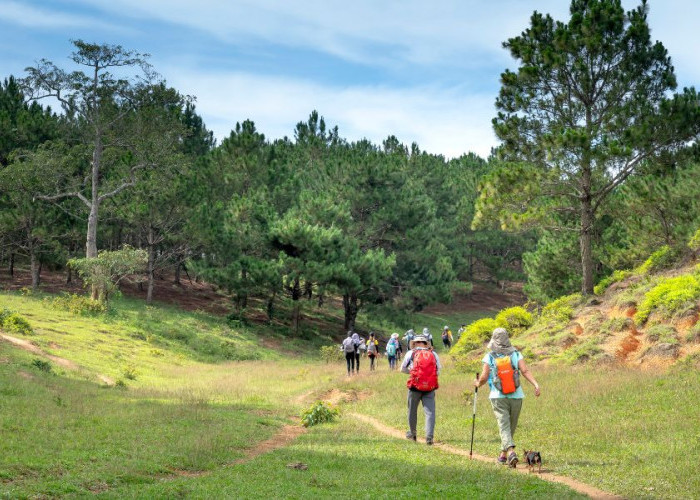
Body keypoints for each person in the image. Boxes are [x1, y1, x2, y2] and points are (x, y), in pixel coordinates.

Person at [474, 327, 540, 467]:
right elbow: (525, 370)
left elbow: (485, 376)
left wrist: (478, 384)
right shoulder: (516, 354)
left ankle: (510, 452)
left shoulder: (490, 356)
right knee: (510, 426)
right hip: (516, 396)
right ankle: (503, 455)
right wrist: (535, 384)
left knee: (503, 425)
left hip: (498, 396)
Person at [401, 334, 441, 445]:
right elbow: (438, 371)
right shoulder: (433, 354)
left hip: (414, 386)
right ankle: (429, 438)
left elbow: (402, 369)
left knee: (412, 410)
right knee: (430, 412)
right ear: (425, 343)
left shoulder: (411, 353)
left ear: (414, 343)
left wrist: (414, 373)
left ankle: (413, 435)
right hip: (430, 387)